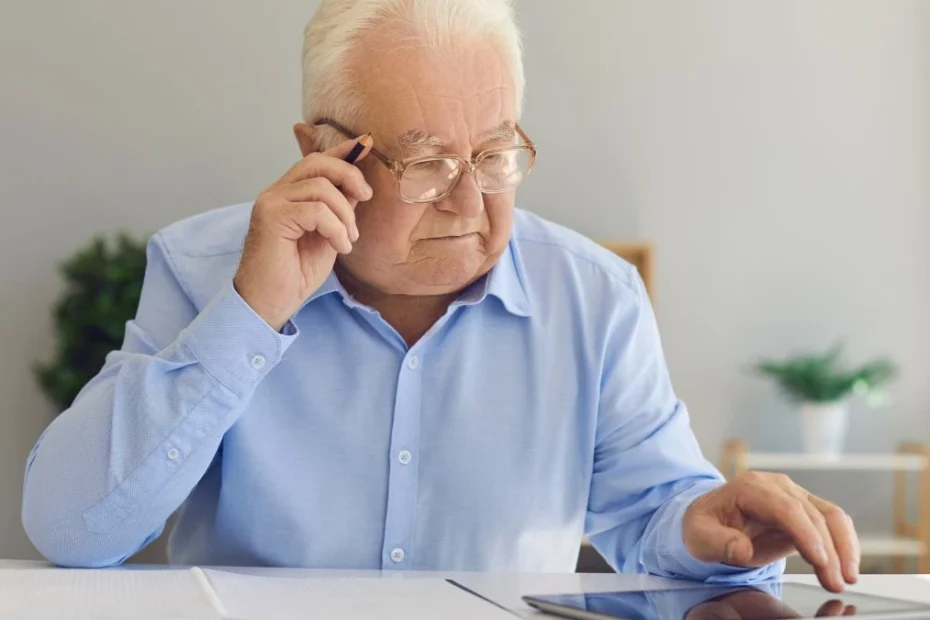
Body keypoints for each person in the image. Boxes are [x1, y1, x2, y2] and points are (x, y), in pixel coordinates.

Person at [22, 0, 859, 592]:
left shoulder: (596, 298)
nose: (470, 201)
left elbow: (654, 511)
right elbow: (74, 533)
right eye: (425, 164)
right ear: (324, 152)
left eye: (496, 154)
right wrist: (249, 315)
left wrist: (707, 527)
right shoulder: (205, 266)